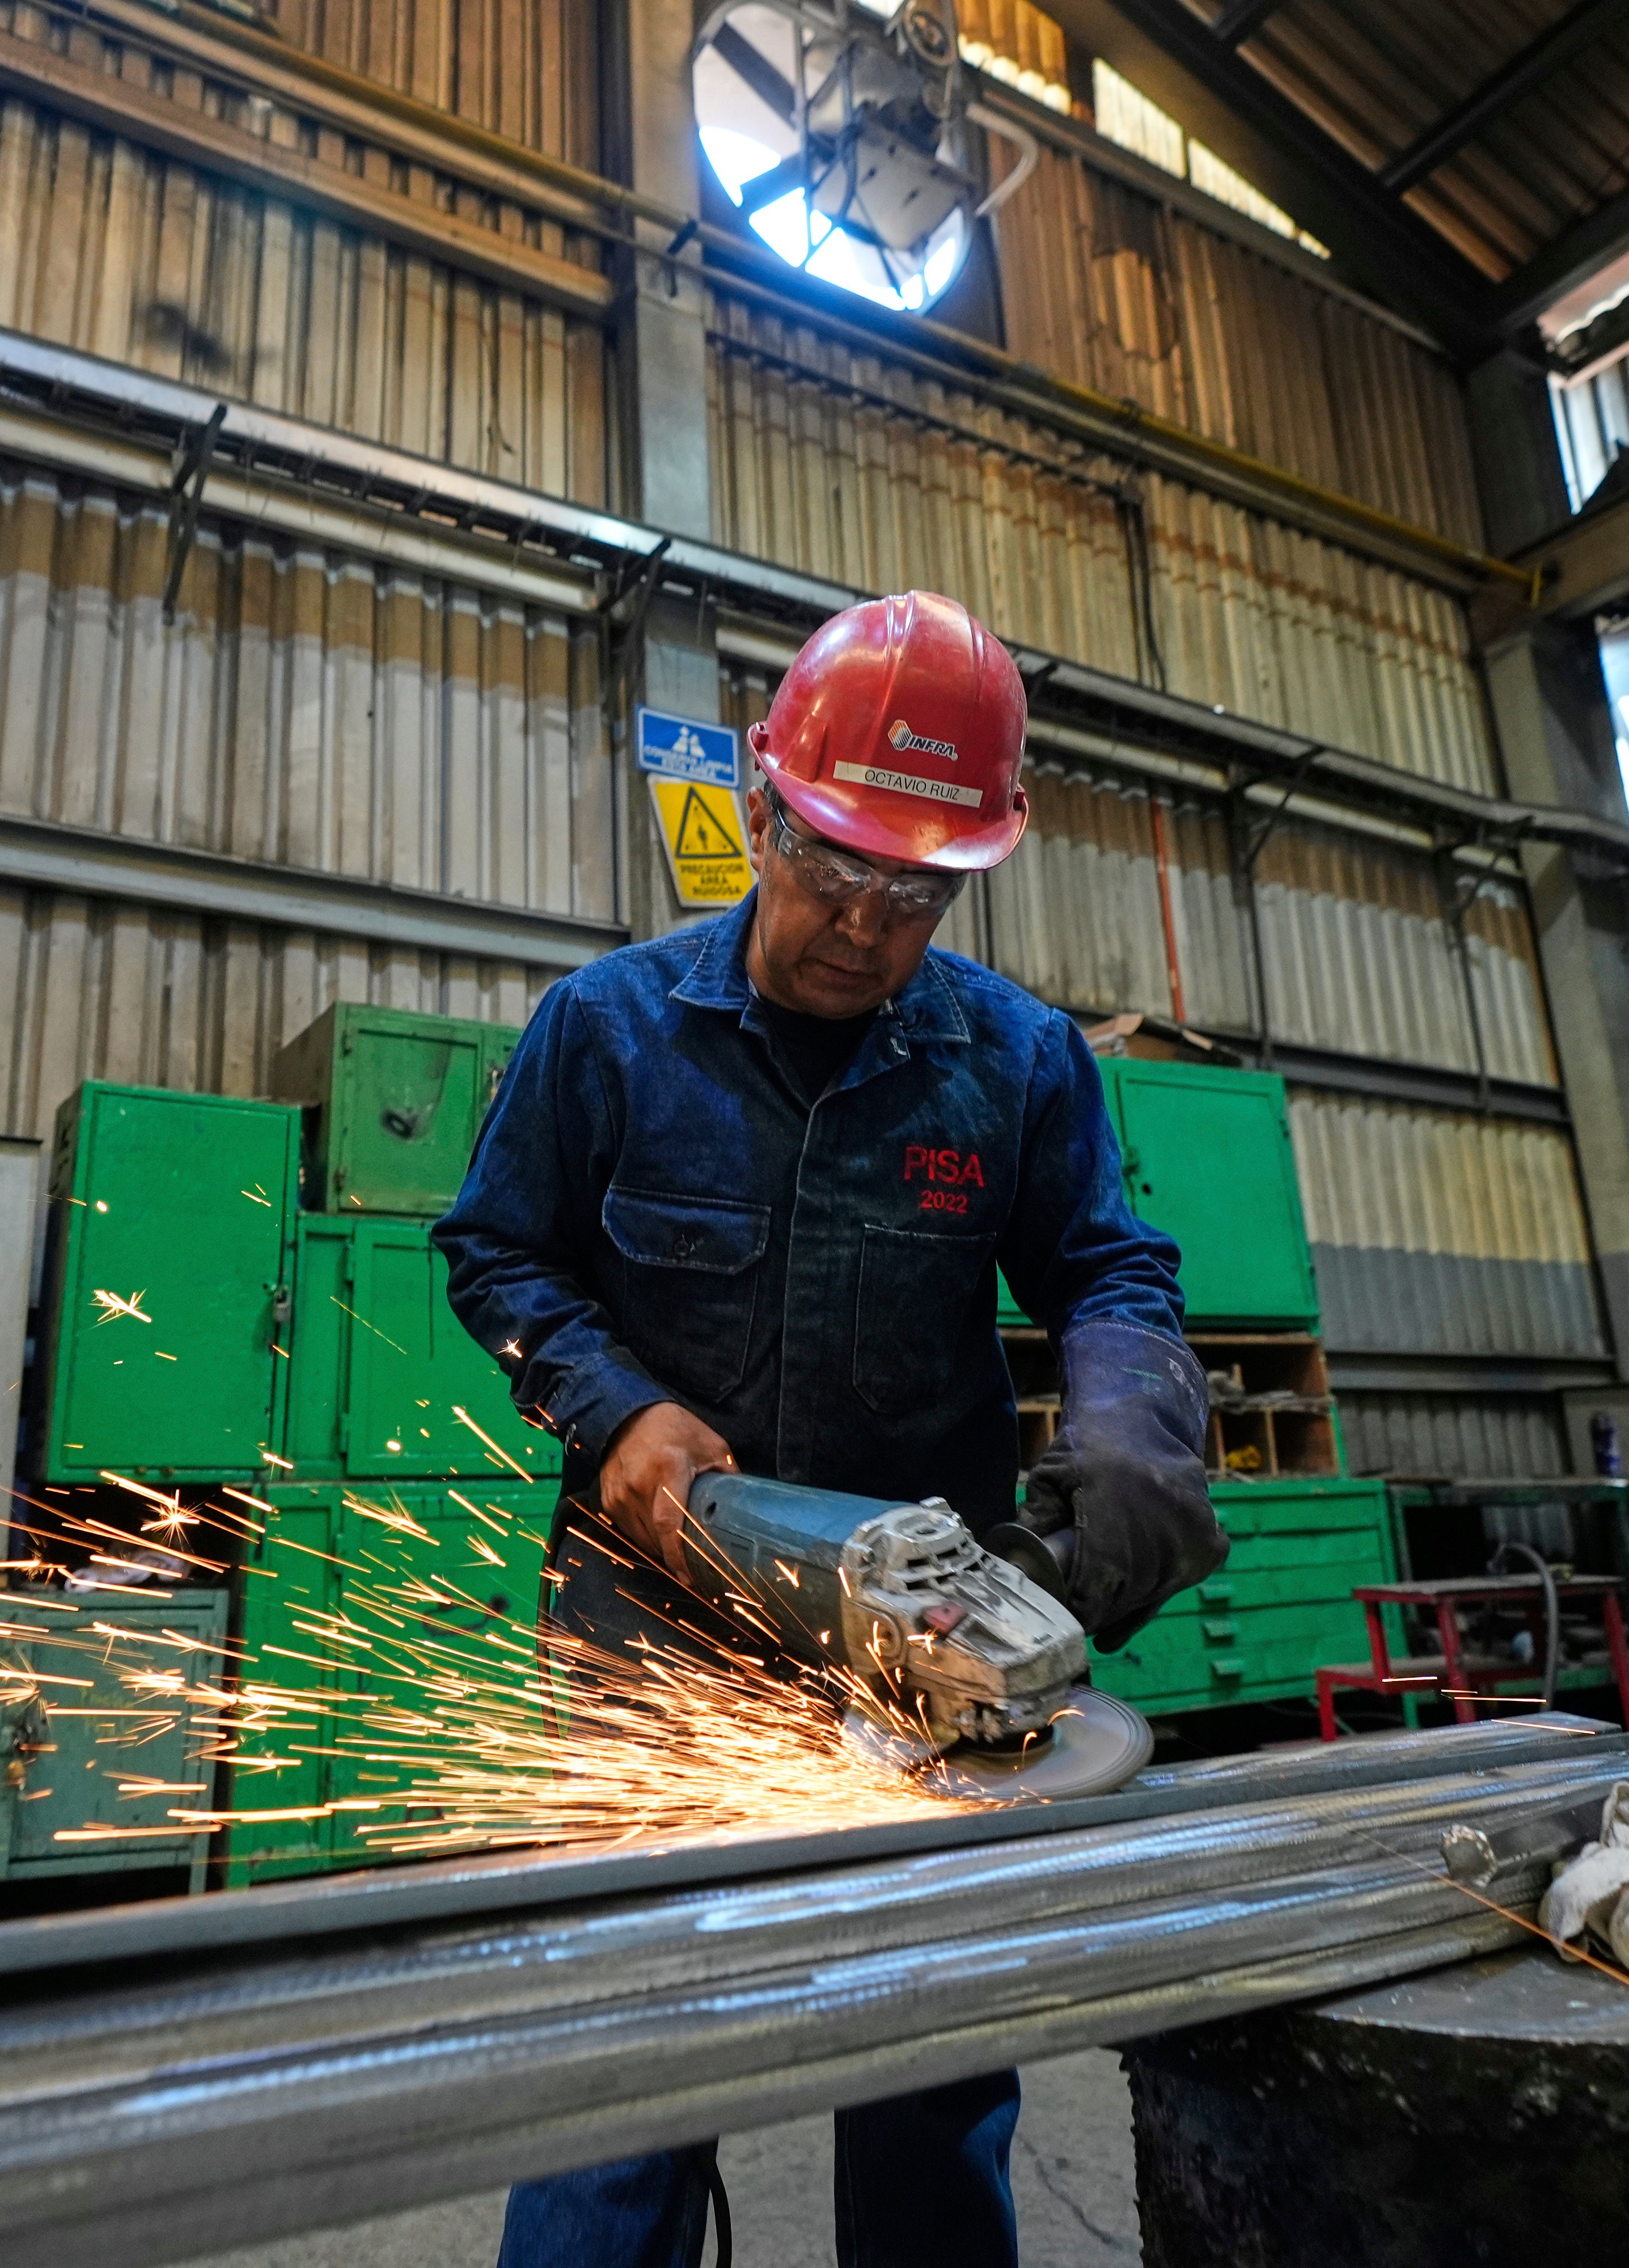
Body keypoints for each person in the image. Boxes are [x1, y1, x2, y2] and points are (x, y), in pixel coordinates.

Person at [434, 590, 1230, 2268]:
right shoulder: (610, 1030)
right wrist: (614, 1403)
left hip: (917, 1642)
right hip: (657, 1634)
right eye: (834, 866)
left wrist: (1139, 1425)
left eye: (915, 889)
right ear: (759, 798)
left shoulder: (1010, 1062)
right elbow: (493, 1251)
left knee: (931, 2081)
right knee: (624, 2088)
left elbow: (1110, 1266)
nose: (866, 924)